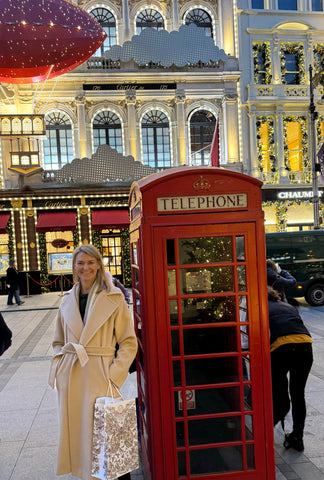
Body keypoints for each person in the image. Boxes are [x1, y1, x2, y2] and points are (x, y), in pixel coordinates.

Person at [49, 244, 138, 480]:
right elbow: (57, 341)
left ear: (99, 264)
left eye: (90, 262)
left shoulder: (113, 297)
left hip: (100, 375)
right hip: (72, 376)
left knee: (108, 439)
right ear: (74, 267)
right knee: (82, 439)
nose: (85, 267)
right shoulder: (67, 299)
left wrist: (114, 374)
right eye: (80, 263)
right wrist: (61, 368)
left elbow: (129, 341)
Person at [267, 286, 313, 451]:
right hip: (305, 346)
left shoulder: (261, 307)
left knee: (281, 396)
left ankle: (263, 434)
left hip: (281, 349)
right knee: (298, 394)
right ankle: (297, 438)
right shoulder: (288, 306)